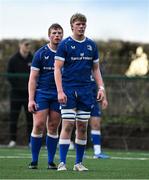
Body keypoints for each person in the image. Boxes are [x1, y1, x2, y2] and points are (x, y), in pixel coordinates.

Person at [54, 13, 105, 171]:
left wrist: (101, 87)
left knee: (82, 127)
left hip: (86, 91)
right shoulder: (65, 44)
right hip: (69, 90)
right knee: (68, 125)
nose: (81, 26)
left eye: (83, 24)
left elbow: (96, 69)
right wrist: (60, 91)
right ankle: (62, 162)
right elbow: (57, 68)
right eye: (78, 24)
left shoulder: (91, 45)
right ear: (72, 26)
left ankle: (78, 163)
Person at [28, 23, 63, 169]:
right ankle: (34, 160)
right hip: (42, 93)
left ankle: (50, 161)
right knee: (38, 125)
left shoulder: (66, 52)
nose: (57, 35)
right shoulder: (40, 53)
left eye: (60, 33)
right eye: (54, 33)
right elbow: (33, 78)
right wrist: (31, 99)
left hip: (59, 95)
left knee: (53, 126)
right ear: (49, 35)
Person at [7, 39, 33, 147]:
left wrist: (29, 88)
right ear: (20, 45)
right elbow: (9, 76)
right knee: (14, 117)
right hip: (16, 94)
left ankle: (31, 141)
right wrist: (19, 87)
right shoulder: (13, 59)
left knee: (30, 118)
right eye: (25, 44)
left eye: (29, 45)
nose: (27, 46)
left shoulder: (33, 58)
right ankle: (12, 140)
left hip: (29, 94)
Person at [90, 76, 110, 159]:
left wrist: (104, 99)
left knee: (96, 124)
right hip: (81, 98)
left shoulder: (96, 68)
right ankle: (80, 151)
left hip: (94, 100)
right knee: (80, 124)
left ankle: (97, 152)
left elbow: (101, 84)